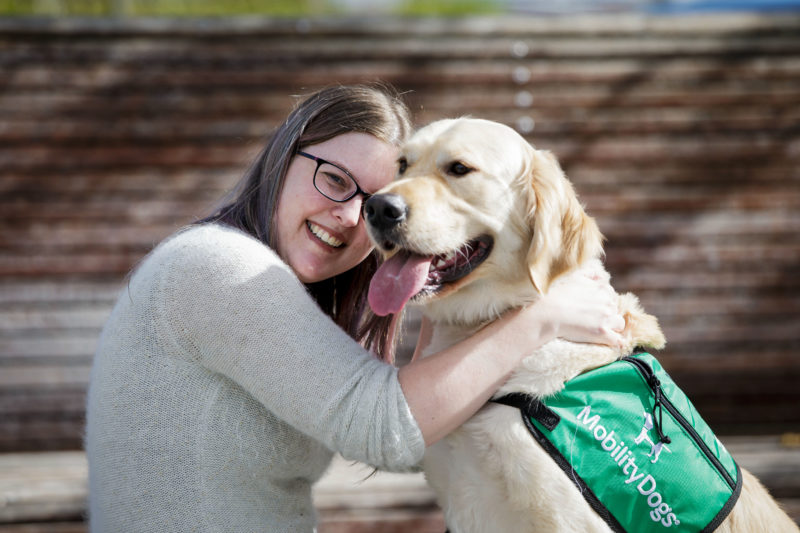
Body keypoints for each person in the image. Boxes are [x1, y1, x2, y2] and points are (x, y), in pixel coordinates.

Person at [85, 84, 624, 532]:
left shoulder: (278, 284)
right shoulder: (218, 267)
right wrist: (542, 319)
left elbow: (426, 432)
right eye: (334, 180)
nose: (350, 216)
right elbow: (384, 430)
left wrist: (440, 289)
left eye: (374, 199)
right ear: (282, 159)